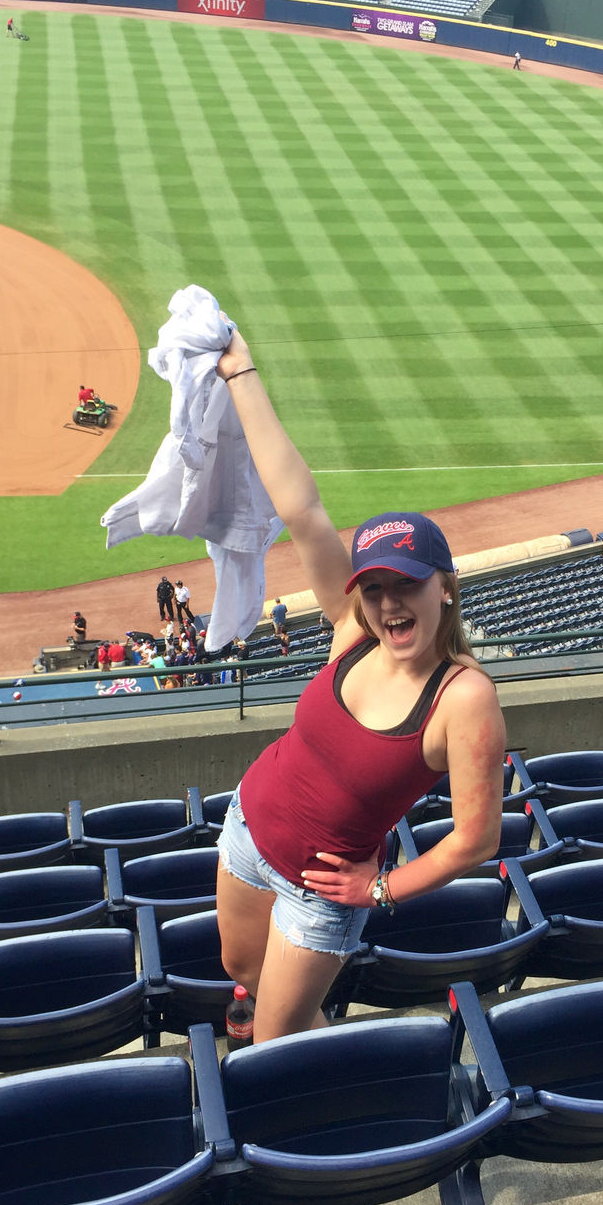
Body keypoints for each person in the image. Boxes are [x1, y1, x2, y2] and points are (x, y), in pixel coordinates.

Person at [212, 325, 506, 1045]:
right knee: (241, 968)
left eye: (405, 585)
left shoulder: (463, 697)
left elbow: (476, 839)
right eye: (373, 588)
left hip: (319, 891)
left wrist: (380, 889)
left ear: (444, 587)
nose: (387, 604)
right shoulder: (352, 631)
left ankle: (327, 1087)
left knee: (274, 1045)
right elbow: (301, 509)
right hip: (249, 826)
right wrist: (240, 372)